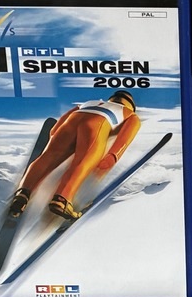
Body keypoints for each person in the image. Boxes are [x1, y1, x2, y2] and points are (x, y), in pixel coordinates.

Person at [7, 92, 141, 223]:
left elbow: (55, 128)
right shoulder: (129, 113)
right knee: (83, 161)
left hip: (71, 122)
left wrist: (58, 139)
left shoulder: (89, 102)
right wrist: (113, 155)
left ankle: (22, 192)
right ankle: (62, 199)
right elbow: (126, 136)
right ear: (130, 105)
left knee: (48, 156)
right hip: (95, 125)